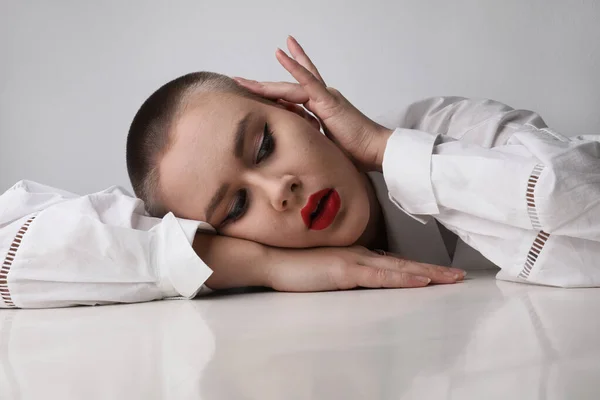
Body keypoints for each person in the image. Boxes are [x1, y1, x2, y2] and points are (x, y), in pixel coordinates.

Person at [1, 37, 598, 309]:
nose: (278, 190)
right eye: (234, 208)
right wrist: (262, 265)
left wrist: (385, 148)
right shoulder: (244, 266)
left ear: (295, 108)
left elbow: (580, 190)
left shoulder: (443, 128)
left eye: (262, 146)